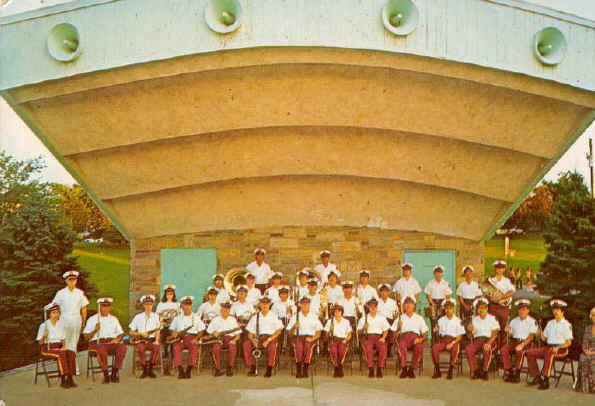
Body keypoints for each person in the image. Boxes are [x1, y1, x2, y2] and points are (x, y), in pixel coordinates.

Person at [526, 298, 573, 390]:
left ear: (562, 311)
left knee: (549, 352)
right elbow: (544, 338)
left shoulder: (566, 325)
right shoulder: (550, 323)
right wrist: (539, 333)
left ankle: (546, 379)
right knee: (529, 352)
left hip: (561, 349)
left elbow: (568, 342)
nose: (555, 312)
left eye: (557, 310)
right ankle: (536, 376)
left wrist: (558, 347)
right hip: (549, 347)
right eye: (554, 309)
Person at [52, 270, 89, 375]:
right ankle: (67, 368)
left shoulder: (80, 293)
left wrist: (83, 322)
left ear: (76, 281)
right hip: (64, 320)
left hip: (76, 320)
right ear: (66, 281)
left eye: (74, 280)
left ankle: (73, 368)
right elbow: (54, 305)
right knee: (66, 344)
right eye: (70, 280)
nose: (72, 282)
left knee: (73, 344)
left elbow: (84, 308)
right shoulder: (61, 293)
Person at [83, 297, 127, 384]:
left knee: (122, 347)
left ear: (110, 307)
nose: (106, 308)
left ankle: (114, 372)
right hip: (98, 343)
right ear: (99, 307)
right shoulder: (92, 319)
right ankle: (106, 374)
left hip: (111, 342)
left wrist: (117, 339)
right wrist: (95, 330)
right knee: (101, 349)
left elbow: (121, 333)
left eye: (108, 306)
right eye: (103, 306)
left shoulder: (114, 319)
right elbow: (86, 337)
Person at [37, 302, 77, 388]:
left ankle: (70, 378)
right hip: (47, 348)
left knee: (71, 353)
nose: (56, 315)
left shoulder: (60, 324)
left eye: (57, 312)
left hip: (58, 347)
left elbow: (62, 338)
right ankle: (64, 379)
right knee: (61, 354)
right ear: (49, 314)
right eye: (53, 313)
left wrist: (64, 346)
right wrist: (44, 335)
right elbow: (40, 343)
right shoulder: (44, 325)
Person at [243, 297, 283, 377]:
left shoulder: (274, 316)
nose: (265, 305)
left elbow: (279, 331)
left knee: (273, 346)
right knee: (246, 344)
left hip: (270, 338)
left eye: (267, 303)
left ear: (269, 304)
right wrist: (253, 339)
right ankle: (252, 367)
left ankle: (269, 368)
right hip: (259, 338)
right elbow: (250, 333)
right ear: (260, 305)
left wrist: (268, 340)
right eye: (263, 303)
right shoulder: (255, 317)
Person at [501, 298, 538, 383]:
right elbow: (510, 334)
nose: (522, 311)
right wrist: (507, 330)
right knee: (503, 349)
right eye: (520, 309)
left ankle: (517, 373)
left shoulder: (532, 321)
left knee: (519, 351)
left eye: (524, 309)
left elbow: (531, 337)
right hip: (514, 341)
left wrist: (523, 344)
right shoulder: (514, 321)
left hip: (526, 342)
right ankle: (509, 370)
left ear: (528, 310)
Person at [286, 296, 323, 378]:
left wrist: (312, 339)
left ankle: (305, 369)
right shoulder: (295, 316)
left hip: (310, 337)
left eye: (307, 304)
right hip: (298, 337)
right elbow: (289, 333)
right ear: (300, 305)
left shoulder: (314, 316)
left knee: (308, 346)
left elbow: (319, 332)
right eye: (303, 304)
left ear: (309, 305)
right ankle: (299, 369)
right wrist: (294, 327)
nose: (305, 306)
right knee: (299, 347)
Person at [170, 296, 205, 379]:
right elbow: (171, 329)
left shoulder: (196, 317)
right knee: (175, 347)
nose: (187, 307)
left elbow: (201, 331)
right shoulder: (177, 318)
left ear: (192, 305)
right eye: (185, 304)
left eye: (189, 304)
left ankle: (189, 370)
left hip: (192, 337)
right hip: (179, 338)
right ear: (182, 305)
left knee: (194, 347)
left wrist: (196, 339)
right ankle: (180, 370)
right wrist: (173, 333)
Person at [465, 297, 500, 381]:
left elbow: (495, 333)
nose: (481, 310)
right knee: (469, 349)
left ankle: (485, 371)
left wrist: (489, 343)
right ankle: (475, 371)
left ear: (487, 308)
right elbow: (469, 336)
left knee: (486, 349)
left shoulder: (492, 318)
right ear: (477, 309)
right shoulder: (474, 320)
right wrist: (469, 331)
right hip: (478, 340)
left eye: (483, 308)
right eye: (479, 308)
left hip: (490, 339)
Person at [393, 296, 428, 379]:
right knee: (401, 344)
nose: (408, 306)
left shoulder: (419, 318)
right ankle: (404, 368)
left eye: (410, 304)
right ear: (403, 306)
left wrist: (420, 339)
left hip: (415, 337)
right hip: (403, 338)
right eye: (406, 304)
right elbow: (394, 336)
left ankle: (412, 369)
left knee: (419, 346)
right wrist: (398, 328)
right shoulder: (400, 318)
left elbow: (425, 333)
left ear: (414, 306)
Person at [129, 295, 161, 379]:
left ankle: (150, 369)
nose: (148, 306)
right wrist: (140, 333)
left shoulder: (156, 316)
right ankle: (144, 369)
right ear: (143, 305)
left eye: (150, 304)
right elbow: (131, 332)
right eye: (146, 304)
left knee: (156, 347)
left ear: (153, 305)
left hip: (151, 340)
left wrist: (157, 340)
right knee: (140, 348)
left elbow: (158, 330)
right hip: (141, 340)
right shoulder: (138, 317)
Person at [431, 298, 465, 380]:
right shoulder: (441, 320)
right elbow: (437, 331)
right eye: (446, 308)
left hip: (454, 340)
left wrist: (452, 343)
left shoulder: (458, 321)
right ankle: (437, 370)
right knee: (434, 348)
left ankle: (450, 369)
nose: (448, 310)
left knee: (455, 348)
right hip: (443, 340)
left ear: (453, 309)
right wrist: (436, 329)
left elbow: (460, 336)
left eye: (450, 308)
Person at [207, 301, 242, 377]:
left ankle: (230, 368)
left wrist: (234, 340)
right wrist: (214, 333)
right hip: (218, 339)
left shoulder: (233, 320)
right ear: (221, 309)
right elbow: (209, 332)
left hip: (230, 339)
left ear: (229, 310)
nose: (225, 310)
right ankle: (218, 369)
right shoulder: (215, 319)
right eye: (223, 308)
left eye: (227, 309)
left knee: (233, 347)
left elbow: (238, 335)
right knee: (215, 349)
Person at [359, 298, 390, 378]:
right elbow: (358, 332)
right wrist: (363, 328)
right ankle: (371, 368)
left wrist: (383, 337)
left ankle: (380, 368)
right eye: (371, 306)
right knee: (368, 348)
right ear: (368, 307)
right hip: (368, 337)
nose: (373, 308)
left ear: (377, 307)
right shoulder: (363, 318)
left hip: (379, 337)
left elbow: (386, 330)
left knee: (383, 347)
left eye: (374, 306)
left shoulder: (382, 318)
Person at [487, 260, 516, 345]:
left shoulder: (507, 281)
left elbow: (512, 291)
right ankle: (492, 349)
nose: (499, 270)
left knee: (504, 328)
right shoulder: (490, 280)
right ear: (495, 269)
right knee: (492, 327)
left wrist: (500, 298)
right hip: (492, 306)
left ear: (504, 269)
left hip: (503, 307)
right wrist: (491, 298)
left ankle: (502, 350)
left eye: (501, 268)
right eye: (498, 268)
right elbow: (486, 292)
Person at [324, 304, 352, 378]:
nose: (337, 313)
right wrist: (330, 329)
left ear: (341, 312)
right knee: (333, 350)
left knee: (341, 350)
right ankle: (337, 367)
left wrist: (346, 340)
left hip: (343, 340)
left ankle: (339, 366)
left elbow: (349, 334)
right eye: (335, 311)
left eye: (339, 311)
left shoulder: (346, 321)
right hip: (333, 339)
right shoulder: (330, 321)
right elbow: (326, 335)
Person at [424, 265, 452, 332]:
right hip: (433, 303)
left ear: (442, 273)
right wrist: (432, 303)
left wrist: (443, 305)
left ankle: (442, 339)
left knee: (443, 321)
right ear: (434, 273)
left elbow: (448, 296)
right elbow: (428, 295)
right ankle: (434, 341)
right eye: (437, 272)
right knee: (433, 322)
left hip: (443, 303)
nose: (438, 274)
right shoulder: (430, 283)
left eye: (440, 272)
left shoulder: (445, 283)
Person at [577, 306, 595, 393]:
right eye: (591, 315)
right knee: (583, 357)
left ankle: (593, 386)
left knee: (592, 359)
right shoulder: (588, 328)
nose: (592, 317)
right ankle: (584, 386)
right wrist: (586, 350)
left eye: (594, 315)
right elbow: (584, 342)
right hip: (588, 351)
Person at [377, 283, 398, 356]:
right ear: (380, 292)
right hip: (379, 322)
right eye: (382, 291)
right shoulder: (377, 302)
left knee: (392, 331)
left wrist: (396, 316)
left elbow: (396, 314)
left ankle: (388, 349)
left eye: (386, 291)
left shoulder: (393, 302)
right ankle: (379, 349)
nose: (384, 293)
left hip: (390, 321)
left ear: (388, 292)